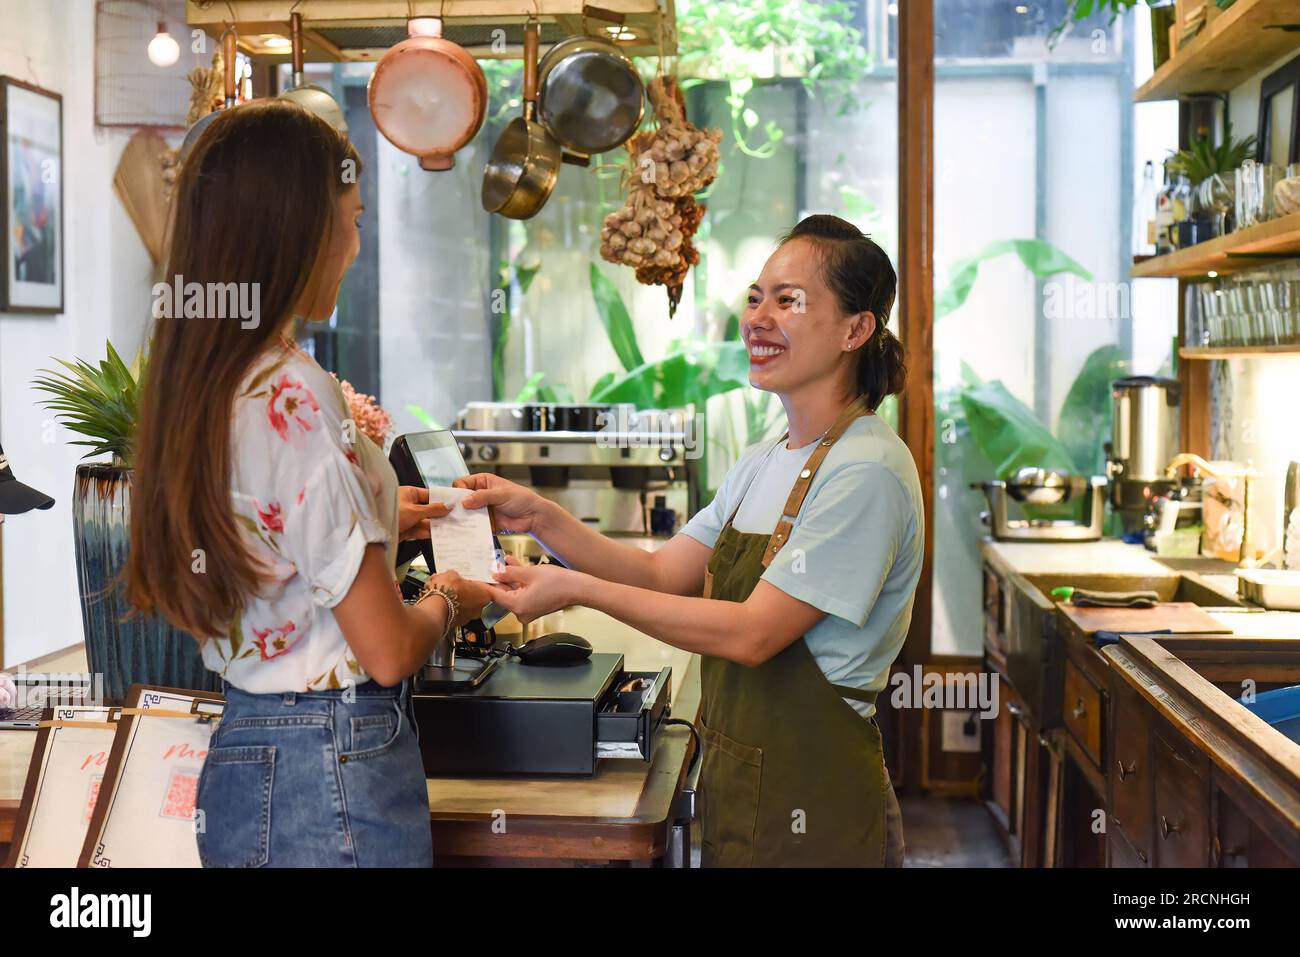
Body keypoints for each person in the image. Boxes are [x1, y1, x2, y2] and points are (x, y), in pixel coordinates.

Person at [459, 214, 923, 867]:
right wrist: (539, 516)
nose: (758, 317)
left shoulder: (865, 469)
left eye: (789, 300)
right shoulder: (767, 458)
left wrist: (575, 589)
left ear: (856, 328)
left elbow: (753, 634)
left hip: (816, 806)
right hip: (743, 785)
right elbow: (657, 573)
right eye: (756, 296)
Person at [124, 101, 489, 868]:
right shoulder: (294, 391)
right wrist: (453, 596)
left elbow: (268, 538)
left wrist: (387, 513)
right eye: (351, 222)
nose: (356, 248)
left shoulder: (201, 379)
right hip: (335, 763)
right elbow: (387, 650)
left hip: (246, 750)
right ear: (296, 230)